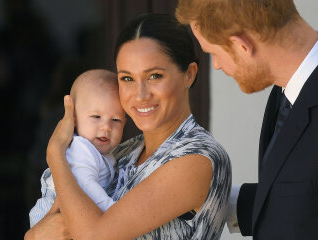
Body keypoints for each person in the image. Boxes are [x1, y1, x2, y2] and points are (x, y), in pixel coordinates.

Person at [24, 13, 231, 240]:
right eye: (127, 79)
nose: (140, 95)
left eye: (154, 76)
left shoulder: (197, 158)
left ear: (189, 74)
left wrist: (55, 153)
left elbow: (95, 235)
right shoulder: (122, 152)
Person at [176, 0, 318, 239]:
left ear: (241, 45)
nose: (217, 65)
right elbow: (304, 201)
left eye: (212, 53)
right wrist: (212, 196)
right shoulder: (286, 90)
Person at [29, 69, 126, 227]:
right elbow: (86, 185)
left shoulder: (105, 153)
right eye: (96, 117)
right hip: (53, 220)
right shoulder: (81, 149)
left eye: (116, 120)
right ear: (73, 118)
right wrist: (112, 211)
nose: (106, 127)